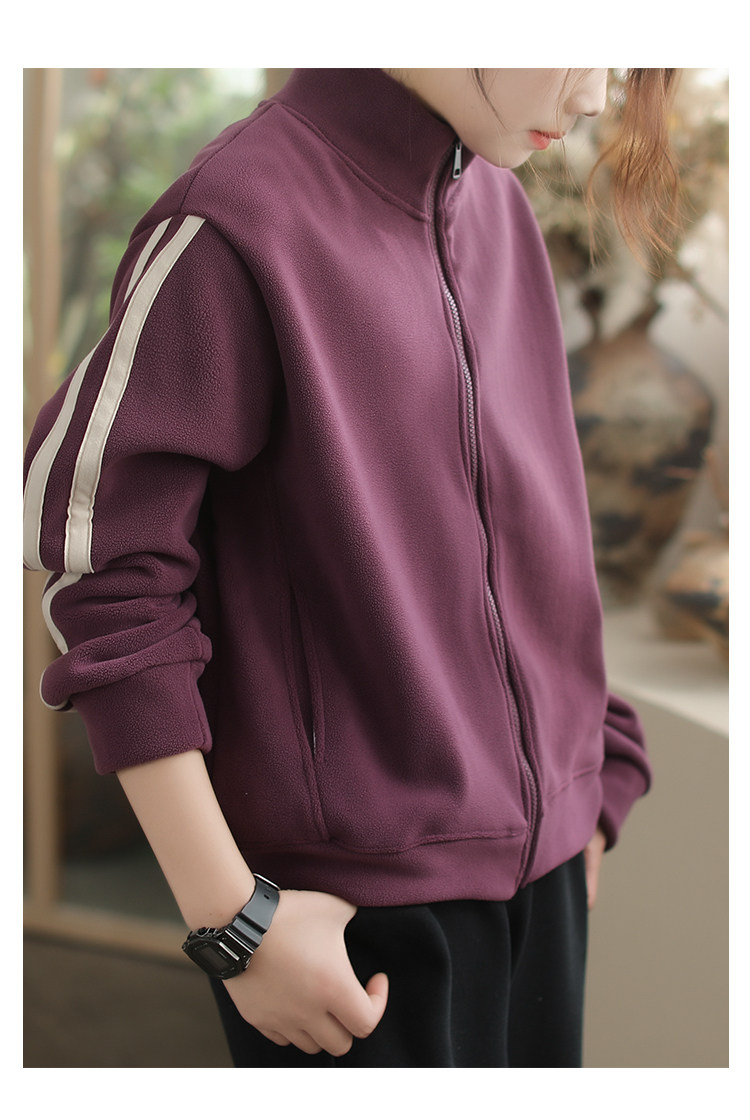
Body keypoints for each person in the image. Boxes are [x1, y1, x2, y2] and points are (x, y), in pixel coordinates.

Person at [23, 68, 679, 1068]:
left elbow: (535, 535)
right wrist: (235, 920)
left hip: (548, 879)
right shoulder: (234, 220)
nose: (595, 96)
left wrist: (592, 780)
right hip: (354, 924)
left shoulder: (498, 206)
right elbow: (98, 561)